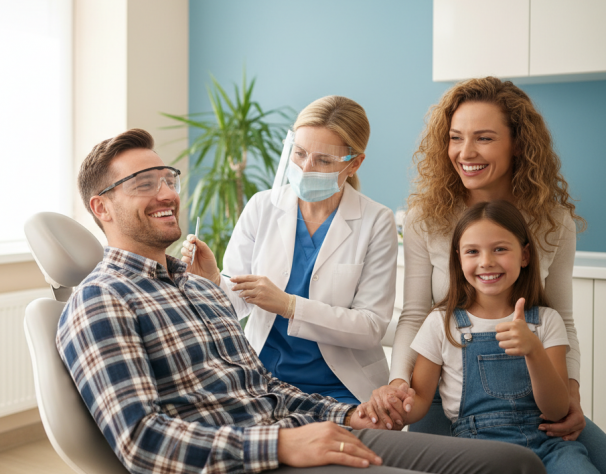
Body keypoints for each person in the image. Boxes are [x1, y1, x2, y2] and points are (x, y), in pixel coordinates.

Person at [56, 127, 546, 473]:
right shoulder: (102, 301)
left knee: (517, 463)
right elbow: (141, 442)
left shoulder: (195, 286)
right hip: (257, 457)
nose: (166, 193)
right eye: (144, 184)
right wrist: (282, 445)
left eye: (168, 179)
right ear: (101, 207)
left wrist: (346, 416)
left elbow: (261, 385)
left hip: (305, 423)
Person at [360, 77, 606, 469]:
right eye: (456, 137)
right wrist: (398, 383)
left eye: (484, 138)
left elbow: (564, 320)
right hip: (447, 393)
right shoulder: (426, 218)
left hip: (532, 397)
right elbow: (414, 314)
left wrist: (571, 394)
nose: (465, 152)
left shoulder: (553, 222)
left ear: (518, 143)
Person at [181, 96, 397, 406]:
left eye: (323, 160)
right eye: (299, 153)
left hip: (341, 387)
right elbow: (236, 304)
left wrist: (289, 306)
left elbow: (370, 327)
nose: (306, 168)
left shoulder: (376, 221)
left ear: (354, 163)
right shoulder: (262, 206)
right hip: (263, 381)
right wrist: (214, 280)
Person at [359, 201, 596, 472]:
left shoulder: (546, 321)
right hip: (478, 450)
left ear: (525, 255)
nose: (486, 262)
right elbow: (421, 401)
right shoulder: (440, 324)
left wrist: (534, 351)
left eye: (500, 249)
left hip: (552, 445)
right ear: (458, 259)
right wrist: (391, 403)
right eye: (473, 251)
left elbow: (556, 411)